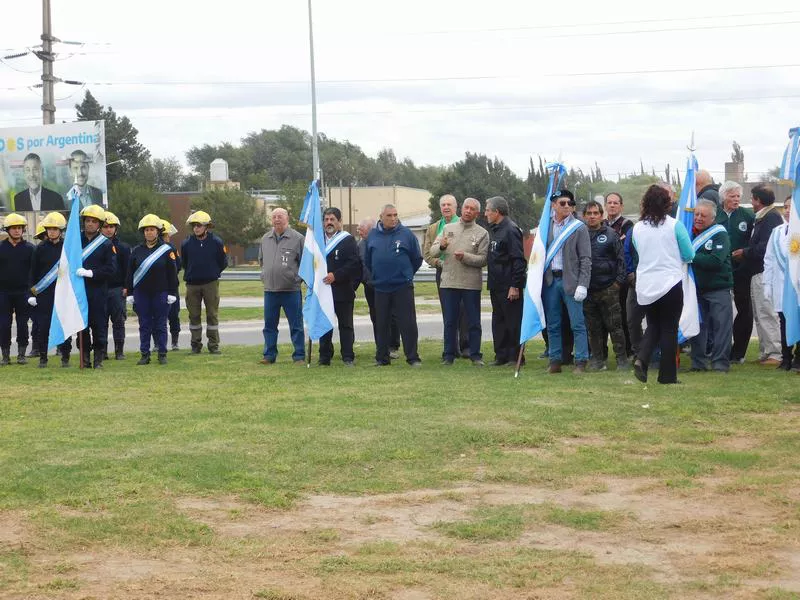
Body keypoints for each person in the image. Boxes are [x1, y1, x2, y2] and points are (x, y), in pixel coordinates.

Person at [631, 184, 695, 384]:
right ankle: (667, 376)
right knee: (669, 329)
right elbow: (689, 254)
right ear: (667, 203)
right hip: (670, 283)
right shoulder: (675, 225)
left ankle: (642, 359)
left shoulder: (637, 228)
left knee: (653, 325)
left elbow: (638, 251)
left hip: (647, 284)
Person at [429, 197, 489, 366]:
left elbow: (484, 260)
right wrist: (441, 246)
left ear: (477, 213)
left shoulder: (482, 233)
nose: (468, 211)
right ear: (461, 209)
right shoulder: (448, 228)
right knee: (449, 321)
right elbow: (432, 251)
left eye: (472, 209)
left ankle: (475, 355)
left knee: (473, 321)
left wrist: (466, 257)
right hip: (449, 282)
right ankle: (448, 355)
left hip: (470, 284)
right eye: (466, 208)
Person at [365, 204, 423, 367]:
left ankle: (412, 357)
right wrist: (377, 275)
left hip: (402, 287)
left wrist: (406, 274)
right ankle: (382, 358)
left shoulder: (406, 234)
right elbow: (368, 261)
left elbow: (416, 259)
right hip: (381, 287)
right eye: (389, 215)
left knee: (408, 323)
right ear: (381, 217)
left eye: (395, 215)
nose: (393, 218)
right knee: (382, 323)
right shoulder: (373, 235)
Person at [733, 184, 784, 365]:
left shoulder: (770, 218)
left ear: (759, 200)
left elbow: (765, 247)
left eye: (753, 199)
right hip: (756, 272)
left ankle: (775, 353)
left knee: (766, 312)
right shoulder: (763, 217)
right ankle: (765, 352)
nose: (751, 203)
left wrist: (745, 252)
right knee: (759, 314)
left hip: (764, 272)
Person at [542, 190, 591, 374]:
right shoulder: (545, 227)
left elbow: (586, 259)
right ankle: (555, 360)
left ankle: (581, 360)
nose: (567, 206)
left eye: (570, 203)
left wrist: (583, 284)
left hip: (571, 281)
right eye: (562, 203)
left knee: (577, 323)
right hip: (550, 281)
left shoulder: (579, 227)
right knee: (553, 323)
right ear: (553, 205)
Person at [126, 214, 178, 365]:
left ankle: (162, 353)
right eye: (146, 230)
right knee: (144, 324)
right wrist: (129, 292)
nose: (149, 232)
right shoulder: (136, 251)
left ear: (158, 231)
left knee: (160, 324)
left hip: (160, 292)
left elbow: (172, 273)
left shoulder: (166, 250)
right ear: (143, 232)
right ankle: (144, 354)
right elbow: (130, 273)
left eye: (152, 230)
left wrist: (172, 293)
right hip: (141, 293)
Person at [582, 201, 628, 371]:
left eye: (595, 213)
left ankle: (622, 360)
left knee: (615, 326)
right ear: (584, 216)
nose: (592, 216)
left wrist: (617, 283)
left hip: (609, 288)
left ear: (601, 215)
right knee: (593, 329)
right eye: (589, 213)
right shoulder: (580, 234)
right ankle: (597, 360)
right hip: (588, 290)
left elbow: (621, 260)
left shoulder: (611, 234)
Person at [689, 199, 733, 372]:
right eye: (696, 214)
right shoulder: (689, 232)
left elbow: (715, 261)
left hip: (718, 288)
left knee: (721, 327)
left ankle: (720, 364)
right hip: (696, 289)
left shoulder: (719, 234)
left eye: (703, 215)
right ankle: (698, 364)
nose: (698, 218)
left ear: (712, 218)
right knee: (697, 327)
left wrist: (690, 255)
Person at [423, 194, 469, 358]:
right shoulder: (434, 228)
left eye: (449, 204)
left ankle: (466, 347)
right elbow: (427, 253)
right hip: (442, 272)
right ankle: (451, 348)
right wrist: (439, 263)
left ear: (456, 207)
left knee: (464, 310)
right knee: (448, 311)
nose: (446, 207)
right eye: (443, 205)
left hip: (462, 271)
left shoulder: (465, 225)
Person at [258, 208, 305, 365]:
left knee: (296, 325)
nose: (277, 219)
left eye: (280, 216)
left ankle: (299, 355)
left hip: (291, 290)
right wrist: (265, 275)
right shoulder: (265, 238)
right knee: (269, 326)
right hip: (270, 291)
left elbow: (305, 263)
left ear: (287, 218)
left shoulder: (298, 238)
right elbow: (262, 261)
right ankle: (269, 355)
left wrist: (296, 279)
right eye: (274, 217)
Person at [716, 181, 755, 364]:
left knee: (745, 311)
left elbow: (755, 240)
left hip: (741, 271)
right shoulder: (714, 214)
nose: (736, 199)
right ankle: (714, 349)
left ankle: (738, 352)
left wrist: (745, 253)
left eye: (738, 196)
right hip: (719, 271)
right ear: (724, 197)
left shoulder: (747, 215)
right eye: (732, 196)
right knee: (718, 312)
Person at [485, 196, 526, 367]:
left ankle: (516, 357)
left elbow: (518, 260)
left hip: (509, 285)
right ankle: (501, 355)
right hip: (496, 284)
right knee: (499, 321)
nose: (485, 213)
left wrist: (515, 285)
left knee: (512, 322)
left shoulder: (511, 230)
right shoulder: (495, 229)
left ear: (497, 212)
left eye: (487, 210)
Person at [318, 208, 362, 366]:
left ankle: (348, 356)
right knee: (324, 324)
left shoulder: (348, 240)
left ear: (339, 222)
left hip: (342, 289)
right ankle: (324, 356)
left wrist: (336, 275)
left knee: (346, 325)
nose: (329, 222)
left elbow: (354, 264)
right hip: (323, 291)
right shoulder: (317, 239)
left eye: (332, 219)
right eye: (326, 219)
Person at [27, 212, 71, 368]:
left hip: (63, 293)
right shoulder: (39, 249)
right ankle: (43, 358)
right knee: (43, 327)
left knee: (64, 326)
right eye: (49, 229)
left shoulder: (68, 247)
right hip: (44, 294)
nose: (51, 231)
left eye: (55, 229)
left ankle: (65, 357)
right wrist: (31, 294)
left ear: (61, 230)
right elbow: (33, 272)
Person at [181, 210, 227, 354]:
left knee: (212, 315)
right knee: (193, 315)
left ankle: (213, 345)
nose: (196, 228)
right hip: (192, 284)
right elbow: (185, 262)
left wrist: (213, 272)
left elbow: (223, 262)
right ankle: (195, 345)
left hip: (210, 284)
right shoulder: (186, 244)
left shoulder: (217, 242)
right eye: (194, 225)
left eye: (199, 225)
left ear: (206, 227)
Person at [76, 204, 116, 369]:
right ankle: (84, 358)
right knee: (82, 327)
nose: (90, 224)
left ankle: (98, 359)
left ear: (99, 224)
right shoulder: (75, 241)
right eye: (87, 221)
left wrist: (91, 273)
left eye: (93, 221)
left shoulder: (106, 244)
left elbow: (111, 269)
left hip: (98, 291)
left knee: (99, 326)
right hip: (80, 290)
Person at [763, 196, 800, 372]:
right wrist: (767, 285)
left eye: (791, 207)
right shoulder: (777, 231)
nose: (787, 211)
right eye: (785, 207)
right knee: (783, 320)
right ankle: (786, 357)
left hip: (796, 286)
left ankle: (799, 358)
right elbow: (769, 259)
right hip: (780, 285)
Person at [358, 218, 401, 353]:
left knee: (391, 315)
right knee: (376, 316)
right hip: (369, 286)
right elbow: (360, 265)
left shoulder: (380, 241)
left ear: (370, 230)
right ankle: (380, 345)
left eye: (362, 230)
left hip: (385, 284)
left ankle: (393, 345)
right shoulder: (360, 245)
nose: (359, 233)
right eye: (359, 230)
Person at [0, 214, 35, 365]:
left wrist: (31, 291)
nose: (16, 231)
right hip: (3, 293)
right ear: (7, 230)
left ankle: (21, 354)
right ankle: (5, 356)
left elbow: (34, 271)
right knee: (3, 324)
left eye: (19, 228)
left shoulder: (30, 249)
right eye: (13, 228)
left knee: (22, 324)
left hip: (23, 293)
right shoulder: (1, 248)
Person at [603, 192, 634, 357]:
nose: (612, 205)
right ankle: (603, 352)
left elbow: (623, 248)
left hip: (620, 278)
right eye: (609, 202)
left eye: (616, 203)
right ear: (605, 206)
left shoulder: (628, 225)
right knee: (604, 318)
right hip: (603, 278)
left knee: (623, 315)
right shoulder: (601, 224)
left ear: (621, 206)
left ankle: (628, 350)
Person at [100, 211, 131, 360]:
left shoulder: (124, 248)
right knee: (101, 323)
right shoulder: (95, 247)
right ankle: (103, 352)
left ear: (116, 228)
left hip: (117, 289)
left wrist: (126, 287)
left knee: (118, 321)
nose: (108, 229)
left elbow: (128, 270)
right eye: (105, 226)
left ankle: (119, 351)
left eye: (111, 226)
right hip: (100, 289)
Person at [160, 220, 182, 350]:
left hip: (171, 287)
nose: (168, 237)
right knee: (158, 317)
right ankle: (162, 343)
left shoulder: (172, 248)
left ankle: (174, 341)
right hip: (158, 287)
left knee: (173, 315)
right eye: (167, 235)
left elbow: (178, 265)